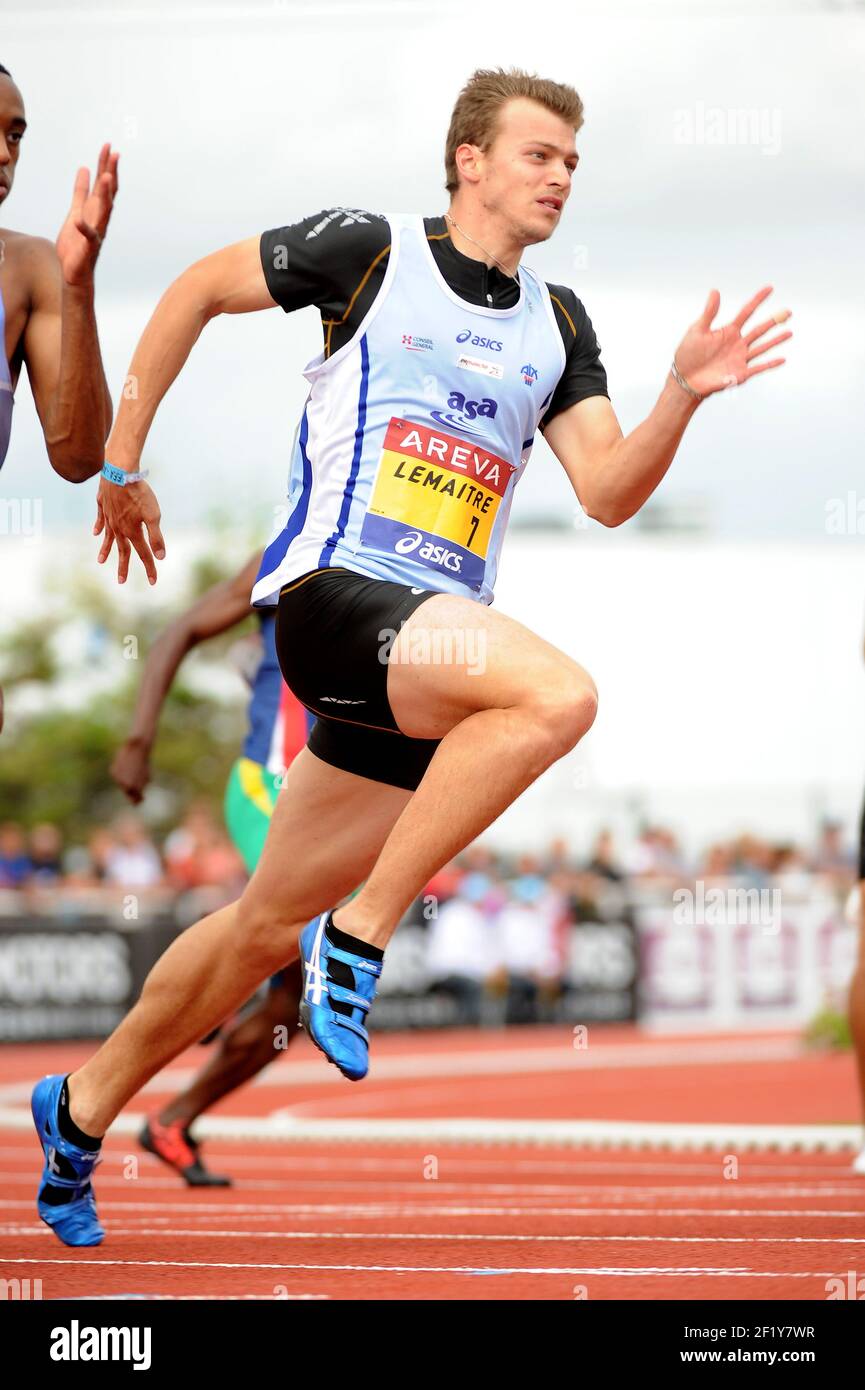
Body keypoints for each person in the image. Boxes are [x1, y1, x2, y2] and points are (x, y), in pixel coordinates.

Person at [33, 66, 792, 1246]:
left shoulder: (559, 323)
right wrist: (122, 456)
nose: (561, 178)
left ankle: (76, 1111)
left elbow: (603, 492)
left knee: (256, 930)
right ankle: (366, 934)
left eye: (574, 164)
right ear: (470, 161)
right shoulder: (365, 250)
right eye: (541, 154)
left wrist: (680, 397)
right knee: (558, 695)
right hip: (334, 601)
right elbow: (189, 289)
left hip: (419, 666)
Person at [109, 552, 312, 1186]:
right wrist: (140, 739)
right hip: (269, 785)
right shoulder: (290, 550)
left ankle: (173, 1119)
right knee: (304, 936)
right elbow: (178, 632)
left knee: (296, 1007)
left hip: (334, 800)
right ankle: (89, 1102)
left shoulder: (405, 557)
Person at [0, 62, 118, 735]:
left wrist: (77, 287)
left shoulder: (28, 268)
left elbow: (78, 455)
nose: (3, 153)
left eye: (16, 135)